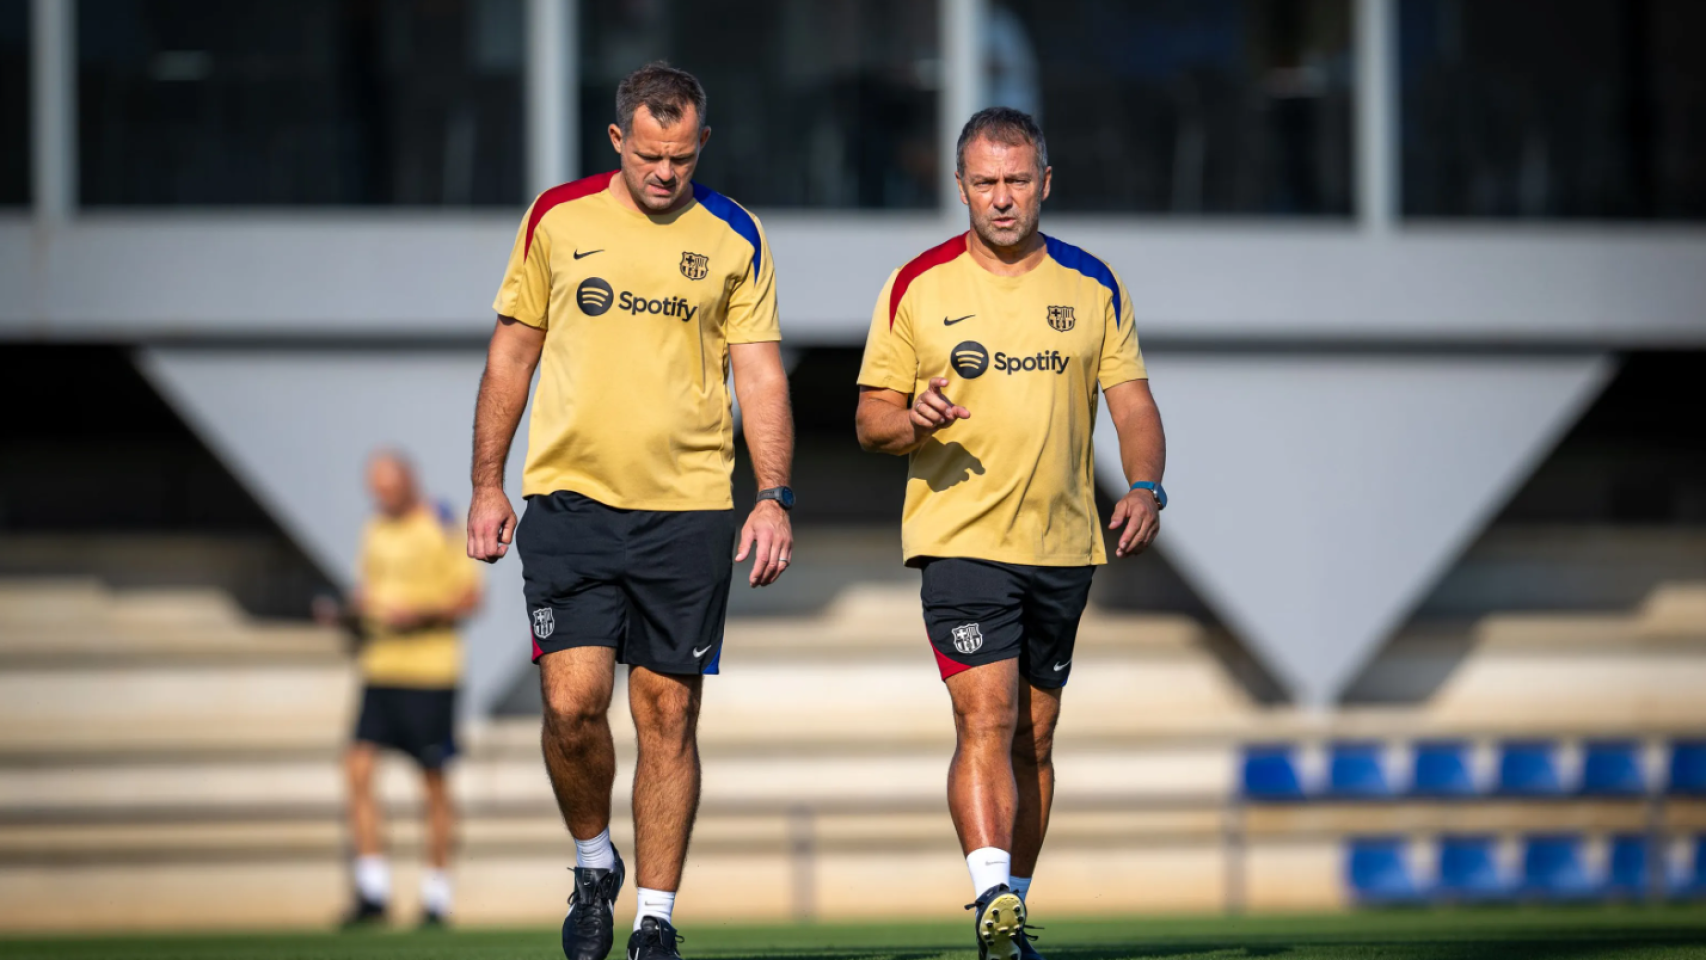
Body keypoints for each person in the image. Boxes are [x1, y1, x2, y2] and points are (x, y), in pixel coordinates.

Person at [467, 63, 794, 960]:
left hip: (688, 512)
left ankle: (655, 919)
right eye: (650, 155)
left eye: (681, 157)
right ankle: (591, 862)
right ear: (618, 140)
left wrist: (772, 496)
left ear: (703, 144)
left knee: (667, 716)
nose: (665, 172)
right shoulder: (556, 218)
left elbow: (761, 375)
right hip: (570, 506)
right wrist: (487, 483)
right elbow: (511, 357)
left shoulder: (735, 234)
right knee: (572, 707)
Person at [854, 107, 1167, 960]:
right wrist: (912, 419)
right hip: (961, 540)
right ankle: (991, 893)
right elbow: (871, 420)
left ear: (1045, 183)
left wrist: (1145, 486)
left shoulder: (1093, 283)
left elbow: (1133, 404)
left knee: (1035, 735)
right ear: (960, 187)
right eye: (986, 182)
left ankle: (1012, 914)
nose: (1002, 197)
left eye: (1017, 180)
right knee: (986, 720)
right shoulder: (917, 284)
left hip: (1064, 545)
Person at [320, 450, 483, 928]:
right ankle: (373, 891)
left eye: (388, 488)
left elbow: (470, 598)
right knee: (357, 769)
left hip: (429, 673)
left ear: (409, 481)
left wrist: (418, 613)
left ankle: (436, 896)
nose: (382, 498)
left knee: (433, 783)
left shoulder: (441, 522)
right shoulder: (375, 528)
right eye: (376, 490)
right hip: (380, 669)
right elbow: (369, 593)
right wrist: (349, 614)